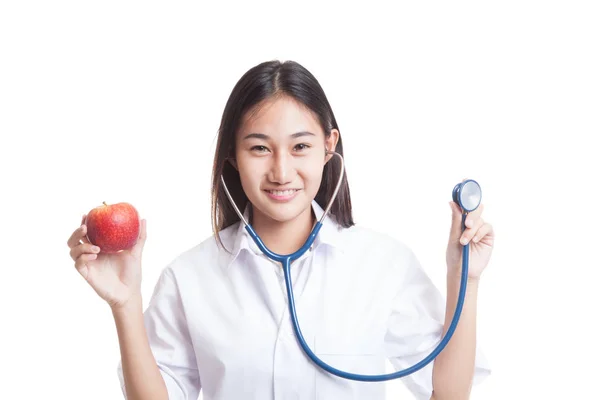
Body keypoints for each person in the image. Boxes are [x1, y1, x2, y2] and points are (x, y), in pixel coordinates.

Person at [66, 59, 493, 400]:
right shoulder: (189, 277)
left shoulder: (383, 264)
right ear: (232, 154)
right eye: (259, 148)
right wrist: (125, 305)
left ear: (329, 147)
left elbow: (449, 394)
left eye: (301, 146)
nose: (281, 171)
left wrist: (464, 278)